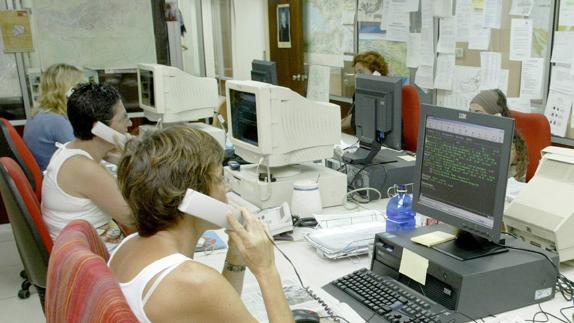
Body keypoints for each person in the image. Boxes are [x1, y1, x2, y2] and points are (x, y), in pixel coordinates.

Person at [108, 126, 293, 322]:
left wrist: (235, 257)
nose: (228, 187)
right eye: (221, 178)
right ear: (194, 198)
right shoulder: (193, 281)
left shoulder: (128, 245)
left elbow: (218, 312)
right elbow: (206, 293)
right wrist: (267, 270)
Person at [42, 83, 136, 250]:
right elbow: (135, 219)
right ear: (99, 129)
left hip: (79, 248)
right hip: (93, 260)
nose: (129, 124)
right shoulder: (85, 169)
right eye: (123, 118)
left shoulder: (70, 150)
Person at [23, 64, 84, 171]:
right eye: (78, 87)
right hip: (59, 179)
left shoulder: (41, 114)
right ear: (66, 90)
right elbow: (84, 155)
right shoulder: (55, 120)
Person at [470, 89, 528, 182]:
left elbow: (485, 173)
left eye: (478, 113)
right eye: (470, 112)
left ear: (496, 117)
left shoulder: (508, 146)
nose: (471, 118)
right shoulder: (479, 137)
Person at [342, 51, 389, 133]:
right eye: (355, 73)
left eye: (360, 72)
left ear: (376, 74)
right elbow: (355, 116)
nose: (356, 76)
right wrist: (334, 126)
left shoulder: (386, 97)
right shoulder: (360, 94)